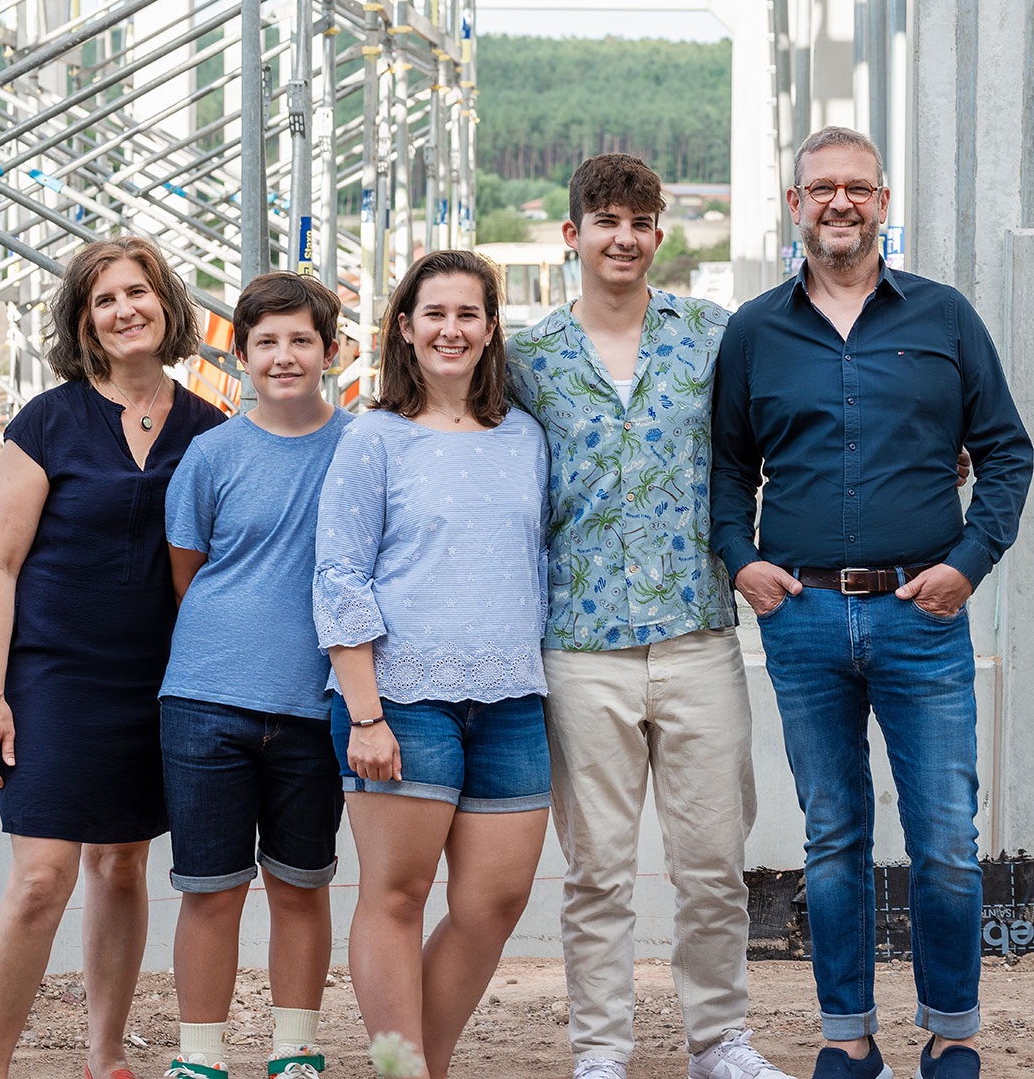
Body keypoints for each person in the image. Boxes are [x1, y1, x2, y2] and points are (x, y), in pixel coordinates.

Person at [710, 126, 1033, 1079]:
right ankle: (846, 1037)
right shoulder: (757, 331)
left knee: (944, 839)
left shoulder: (945, 317)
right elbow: (728, 469)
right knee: (834, 837)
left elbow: (1009, 453)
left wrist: (971, 563)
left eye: (857, 187)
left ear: (883, 203)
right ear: (796, 205)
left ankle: (953, 1031)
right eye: (821, 189)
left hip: (922, 615)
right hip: (803, 619)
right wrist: (741, 559)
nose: (839, 203)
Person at [505, 154, 794, 1079]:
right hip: (580, 648)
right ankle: (602, 1052)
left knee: (712, 863)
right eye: (605, 221)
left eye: (639, 222)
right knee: (597, 872)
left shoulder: (710, 337)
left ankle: (719, 1042)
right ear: (573, 235)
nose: (622, 237)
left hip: (698, 635)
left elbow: (785, 424)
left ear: (657, 235)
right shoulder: (530, 362)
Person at [0, 236, 226, 1079]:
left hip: (159, 680)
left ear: (166, 304)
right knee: (42, 879)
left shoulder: (208, 429)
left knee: (122, 866)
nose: (124, 310)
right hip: (54, 677)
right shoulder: (48, 420)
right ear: (85, 320)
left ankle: (105, 1053)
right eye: (104, 299)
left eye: (137, 293)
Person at [312, 249, 551, 1079]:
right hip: (402, 700)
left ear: (491, 330)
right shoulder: (372, 438)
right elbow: (338, 575)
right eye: (434, 314)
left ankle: (424, 1066)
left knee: (494, 902)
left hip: (514, 698)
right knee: (397, 898)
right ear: (405, 329)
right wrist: (366, 712)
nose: (451, 329)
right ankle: (398, 1069)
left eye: (468, 315)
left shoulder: (525, 436)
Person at [159, 272, 350, 1079]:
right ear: (239, 356)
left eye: (301, 339)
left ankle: (294, 1049)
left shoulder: (362, 446)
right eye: (265, 342)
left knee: (301, 883)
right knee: (209, 888)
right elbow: (187, 572)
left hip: (316, 703)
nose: (283, 355)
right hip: (205, 700)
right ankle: (200, 1057)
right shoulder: (210, 456)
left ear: (332, 351)